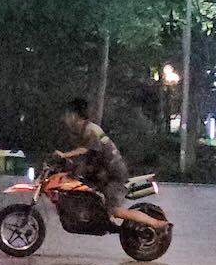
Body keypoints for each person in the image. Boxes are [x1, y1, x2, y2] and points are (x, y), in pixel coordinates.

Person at [55, 98, 170, 232]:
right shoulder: (82, 131)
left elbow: (85, 150)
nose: (65, 119)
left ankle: (156, 224)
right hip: (100, 174)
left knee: (116, 211)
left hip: (113, 175)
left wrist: (64, 155)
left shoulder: (91, 130)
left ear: (75, 115)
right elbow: (85, 158)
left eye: (67, 115)